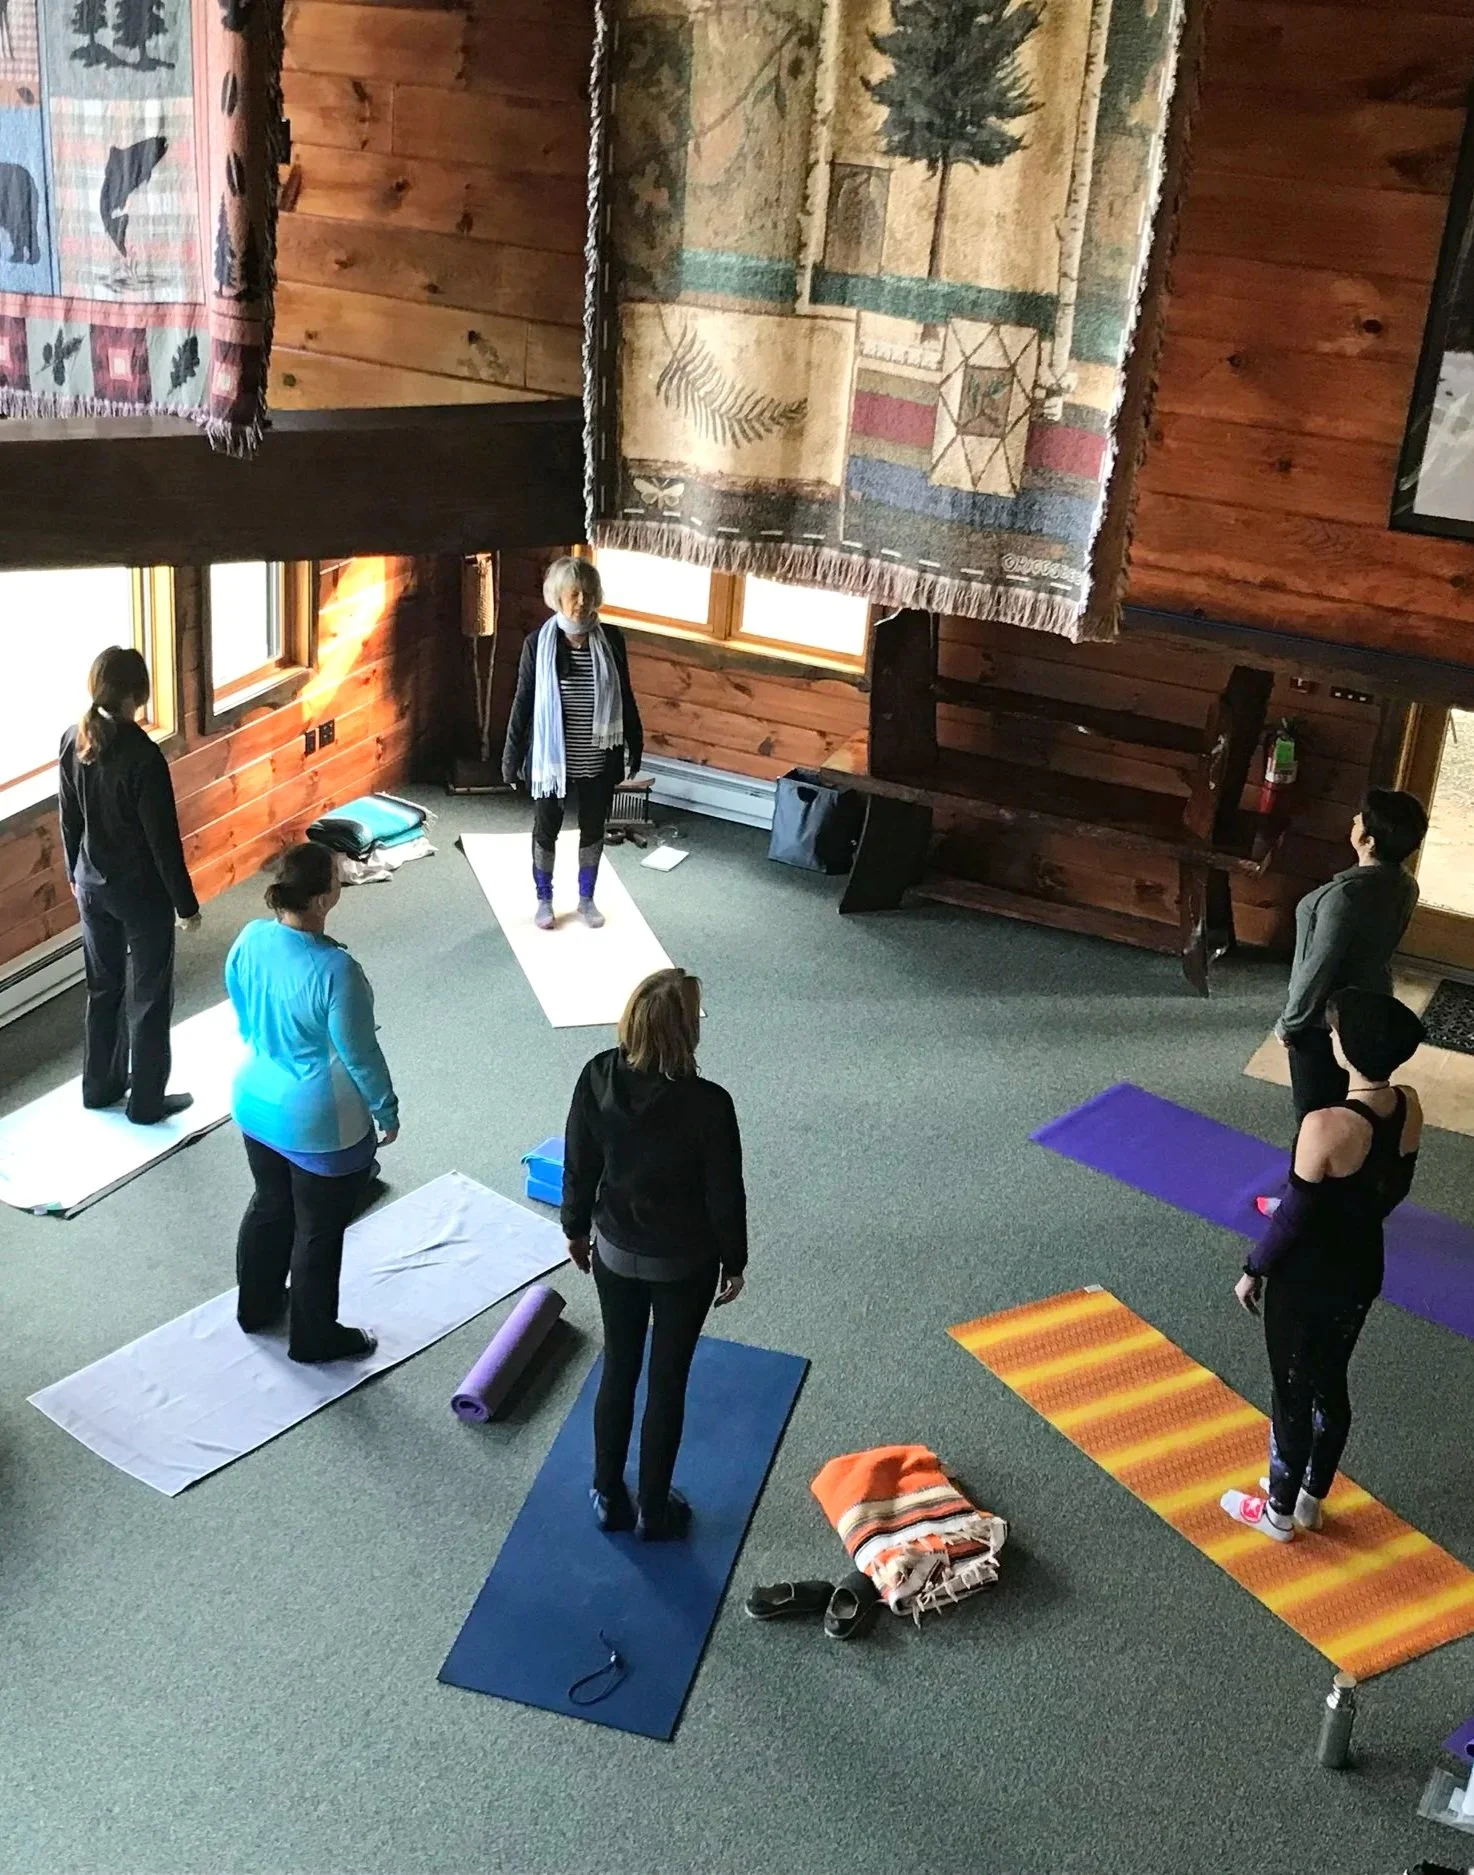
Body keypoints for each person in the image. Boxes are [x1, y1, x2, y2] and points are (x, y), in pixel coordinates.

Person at [1222, 989, 1425, 1543]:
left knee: (1291, 1392)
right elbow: (1393, 1189)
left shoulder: (1326, 1125)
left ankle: (1276, 1515)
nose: (1331, 1037)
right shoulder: (1409, 1104)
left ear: (1351, 1048)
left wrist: (1253, 1267)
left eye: (1336, 1032)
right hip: (1362, 1267)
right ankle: (1311, 1501)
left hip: (1308, 1278)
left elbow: (1293, 1218)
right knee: (1330, 1383)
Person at [562, 967, 747, 1540]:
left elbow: (579, 1163)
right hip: (683, 1263)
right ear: (686, 1032)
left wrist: (573, 1228)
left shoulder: (597, 1075)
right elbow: (724, 1193)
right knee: (668, 1381)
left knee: (619, 1366)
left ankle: (606, 1491)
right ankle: (653, 1509)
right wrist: (735, 1261)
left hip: (615, 1249)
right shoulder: (709, 1104)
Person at [225, 842, 399, 1364]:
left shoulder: (250, 936)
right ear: (324, 899)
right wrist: (385, 1110)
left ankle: (254, 1308)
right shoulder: (336, 970)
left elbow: (237, 998)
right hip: (319, 1121)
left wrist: (263, 1040)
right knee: (318, 1231)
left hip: (254, 1099)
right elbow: (360, 1053)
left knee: (269, 1203)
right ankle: (314, 1336)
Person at [58, 645, 200, 1126]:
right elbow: (163, 842)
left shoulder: (72, 740)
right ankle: (146, 1103)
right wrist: (187, 906)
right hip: (140, 896)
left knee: (104, 989)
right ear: (139, 693)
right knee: (150, 995)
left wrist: (72, 875)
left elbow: (69, 820)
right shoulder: (143, 756)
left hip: (91, 886)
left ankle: (100, 1087)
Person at [501, 556, 642, 931]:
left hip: (597, 758)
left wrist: (636, 742)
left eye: (588, 593)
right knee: (545, 830)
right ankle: (544, 899)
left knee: (593, 828)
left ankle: (586, 898)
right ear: (558, 597)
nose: (582, 601)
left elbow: (625, 695)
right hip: (552, 763)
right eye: (574, 593)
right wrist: (510, 757)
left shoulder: (611, 640)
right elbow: (523, 701)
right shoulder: (539, 643)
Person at [1274, 789, 1428, 1122]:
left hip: (1324, 1019)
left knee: (1316, 1115)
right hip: (1371, 1005)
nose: (1354, 820)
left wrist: (1291, 1022)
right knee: (1352, 1103)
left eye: (1361, 818)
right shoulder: (1405, 885)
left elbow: (1318, 968)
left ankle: (1314, 1171)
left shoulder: (1344, 898)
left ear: (1369, 841)